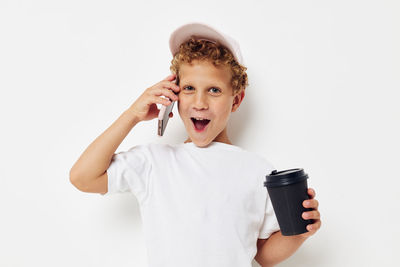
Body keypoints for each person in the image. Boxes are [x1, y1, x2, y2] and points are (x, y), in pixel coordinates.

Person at [69, 22, 321, 267]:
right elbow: (83, 177)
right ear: (173, 94)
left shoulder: (257, 170)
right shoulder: (154, 162)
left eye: (213, 90)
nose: (200, 102)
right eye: (189, 88)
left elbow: (263, 255)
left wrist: (298, 233)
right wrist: (132, 114)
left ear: (236, 100)